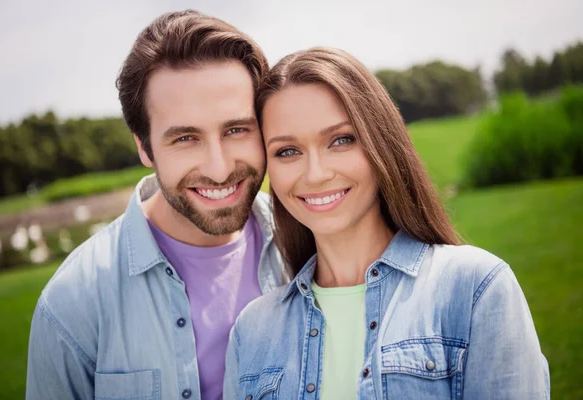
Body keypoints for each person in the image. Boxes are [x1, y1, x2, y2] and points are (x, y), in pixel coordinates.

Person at [224, 47, 550, 399]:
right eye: (287, 151)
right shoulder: (252, 330)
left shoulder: (475, 289)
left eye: (341, 140)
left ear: (380, 143)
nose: (316, 174)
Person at [26, 10, 285, 400]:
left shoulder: (311, 247)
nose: (219, 169)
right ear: (144, 147)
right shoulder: (72, 302)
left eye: (236, 129)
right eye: (185, 138)